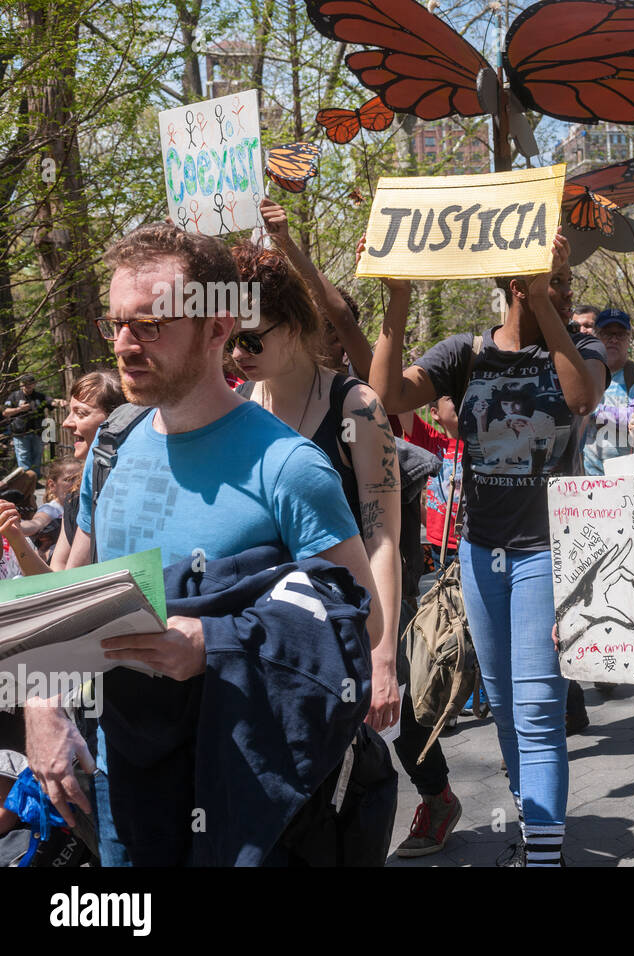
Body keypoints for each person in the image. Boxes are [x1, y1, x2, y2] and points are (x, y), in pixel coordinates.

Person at [21, 223, 381, 866]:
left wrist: (215, 645)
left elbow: (361, 620)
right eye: (117, 324)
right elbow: (67, 598)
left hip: (248, 795)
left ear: (218, 328)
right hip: (125, 790)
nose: (126, 345)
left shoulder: (289, 466)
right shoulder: (118, 451)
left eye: (151, 324)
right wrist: (41, 703)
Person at [370, 234, 606, 867]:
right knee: (501, 703)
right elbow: (385, 399)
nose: (558, 289)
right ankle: (535, 834)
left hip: (548, 551)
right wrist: (396, 298)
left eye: (562, 281)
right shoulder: (464, 353)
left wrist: (547, 305)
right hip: (481, 554)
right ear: (508, 283)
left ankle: (545, 856)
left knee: (536, 706)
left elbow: (581, 399)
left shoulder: (581, 348)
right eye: (547, 279)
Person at [227, 238, 402, 731]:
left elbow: (381, 538)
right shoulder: (233, 405)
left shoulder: (357, 406)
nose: (239, 353)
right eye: (230, 340)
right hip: (256, 638)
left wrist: (383, 655)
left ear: (297, 325)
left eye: (252, 339)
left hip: (338, 636)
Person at [0, 371, 126, 575]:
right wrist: (15, 535)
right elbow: (60, 581)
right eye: (70, 412)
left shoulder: (133, 490)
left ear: (120, 419)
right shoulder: (76, 497)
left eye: (81, 413)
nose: (66, 423)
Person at [582, 307, 634, 475]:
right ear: (596, 336)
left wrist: (590, 408)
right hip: (587, 478)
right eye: (607, 334)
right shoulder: (585, 374)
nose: (614, 340)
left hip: (629, 479)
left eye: (620, 334)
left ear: (628, 339)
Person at [3, 374, 50, 473]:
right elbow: (5, 412)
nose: (27, 386)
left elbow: (51, 402)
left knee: (37, 457)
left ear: (34, 384)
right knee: (23, 457)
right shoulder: (14, 396)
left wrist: (59, 402)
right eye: (24, 384)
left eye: (30, 383)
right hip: (20, 433)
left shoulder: (39, 396)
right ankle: (26, 481)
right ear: (20, 384)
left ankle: (35, 481)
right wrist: (19, 409)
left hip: (37, 432)